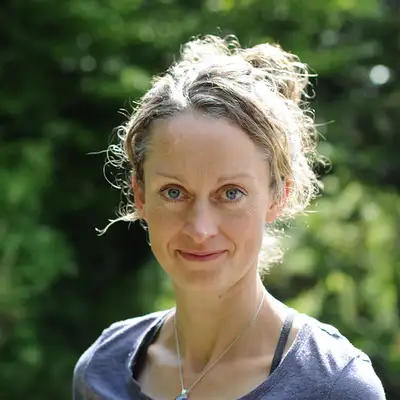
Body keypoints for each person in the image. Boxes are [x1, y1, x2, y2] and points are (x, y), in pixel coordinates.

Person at [73, 34, 386, 399]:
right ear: (140, 195)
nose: (200, 229)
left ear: (278, 196)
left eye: (231, 193)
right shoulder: (100, 371)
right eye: (173, 192)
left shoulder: (336, 386)